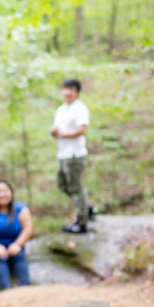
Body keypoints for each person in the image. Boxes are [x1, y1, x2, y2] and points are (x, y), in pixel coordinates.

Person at [50, 77, 91, 233]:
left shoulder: (80, 108)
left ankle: (81, 221)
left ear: (77, 92)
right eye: (65, 89)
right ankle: (86, 206)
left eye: (71, 90)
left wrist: (64, 134)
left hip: (75, 154)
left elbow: (82, 130)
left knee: (76, 186)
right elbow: (56, 130)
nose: (67, 93)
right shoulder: (60, 110)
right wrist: (54, 132)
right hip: (62, 153)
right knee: (63, 185)